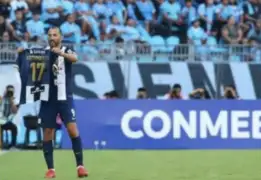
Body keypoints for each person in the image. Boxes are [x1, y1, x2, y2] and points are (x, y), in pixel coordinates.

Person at [40, 27, 88, 178]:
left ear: (60, 37)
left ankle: (80, 166)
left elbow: (75, 58)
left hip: (65, 97)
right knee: (48, 132)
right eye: (49, 35)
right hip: (48, 98)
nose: (52, 37)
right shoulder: (43, 52)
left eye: (54, 35)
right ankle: (51, 169)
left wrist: (60, 53)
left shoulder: (67, 50)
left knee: (72, 129)